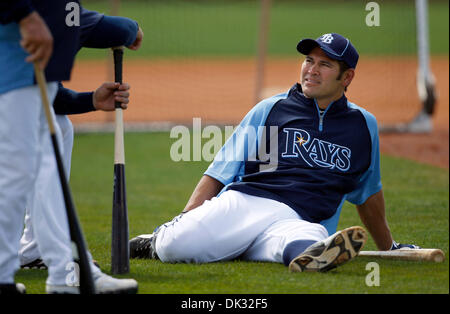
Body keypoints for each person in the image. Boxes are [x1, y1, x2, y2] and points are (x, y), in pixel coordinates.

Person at [129, 33, 419, 272]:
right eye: (308, 60)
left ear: (347, 77)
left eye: (325, 64)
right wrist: (187, 218)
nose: (311, 70)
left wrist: (388, 248)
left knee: (307, 240)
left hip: (304, 219)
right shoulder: (272, 109)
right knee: (175, 246)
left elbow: (368, 193)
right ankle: (156, 240)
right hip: (248, 201)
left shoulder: (362, 125)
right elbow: (220, 171)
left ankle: (303, 254)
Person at [0, 0, 137, 294]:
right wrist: (24, 14)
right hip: (11, 82)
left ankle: (57, 269)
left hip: (28, 86)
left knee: (54, 142)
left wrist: (90, 100)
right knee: (22, 173)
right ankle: (43, 273)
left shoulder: (59, 10)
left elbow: (54, 98)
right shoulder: (53, 10)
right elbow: (118, 29)